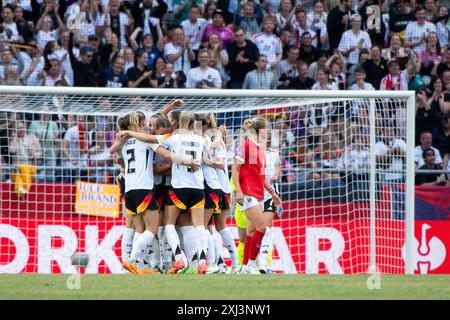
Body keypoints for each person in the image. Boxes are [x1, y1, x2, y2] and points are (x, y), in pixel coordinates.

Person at [232, 117, 282, 274]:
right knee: (263, 228)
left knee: (251, 233)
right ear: (261, 130)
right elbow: (235, 168)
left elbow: (260, 176)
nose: (268, 132)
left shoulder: (259, 150)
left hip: (258, 193)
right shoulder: (246, 145)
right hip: (247, 192)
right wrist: (238, 191)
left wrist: (272, 193)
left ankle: (246, 266)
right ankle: (251, 265)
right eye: (267, 129)